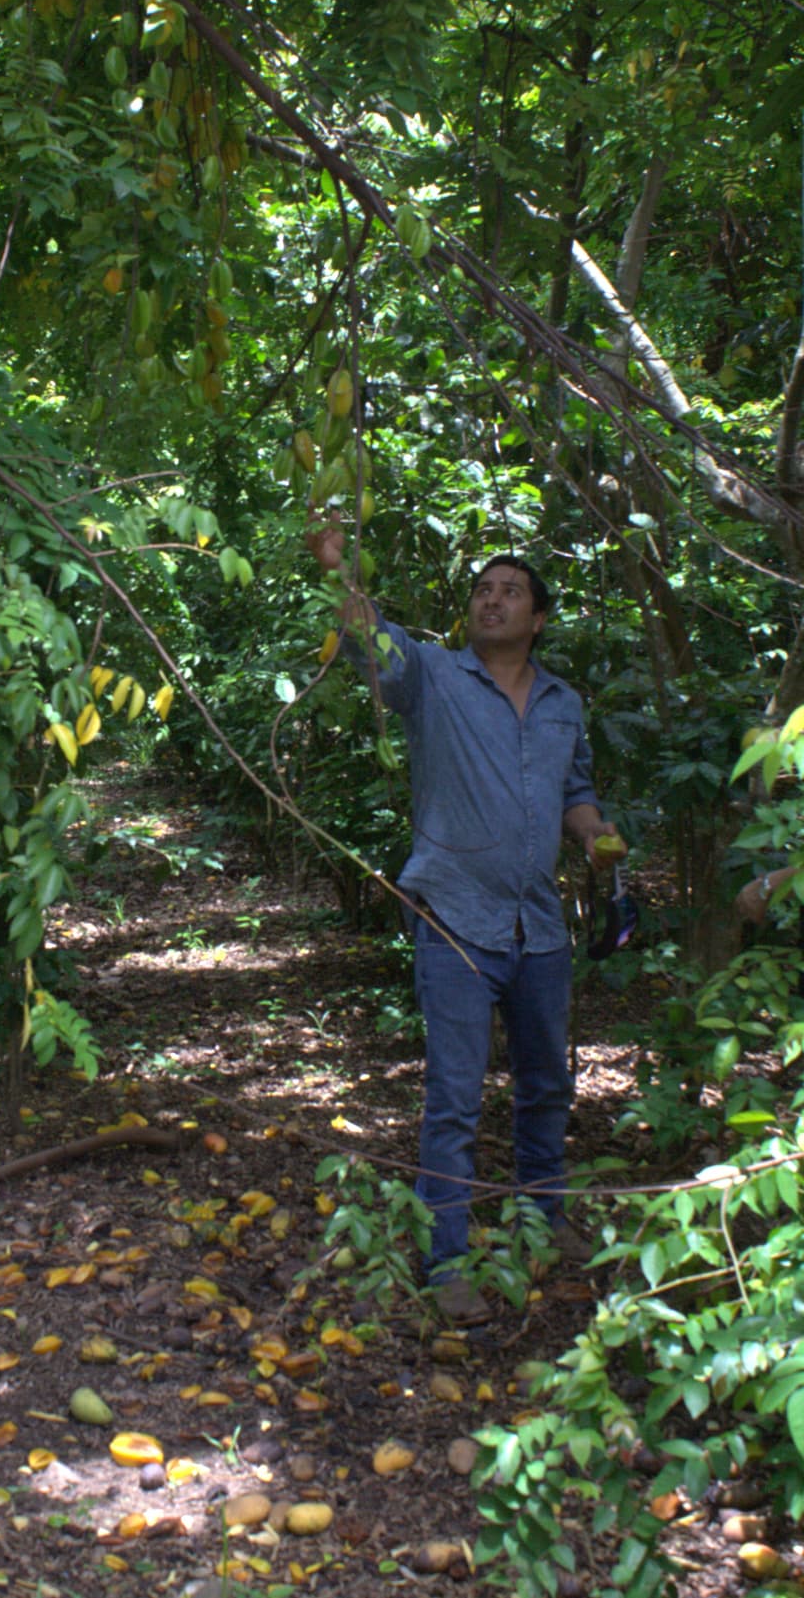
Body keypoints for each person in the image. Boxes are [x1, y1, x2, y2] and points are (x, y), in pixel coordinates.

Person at [307, 527, 624, 1323]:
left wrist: (593, 835)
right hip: (453, 916)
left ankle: (543, 1216)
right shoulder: (435, 677)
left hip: (537, 926)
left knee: (547, 1085)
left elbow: (574, 792)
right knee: (454, 1095)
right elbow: (372, 638)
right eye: (484, 588)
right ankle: (446, 1257)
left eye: (511, 591)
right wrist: (337, 565)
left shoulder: (562, 703)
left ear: (538, 618)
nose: (492, 599)